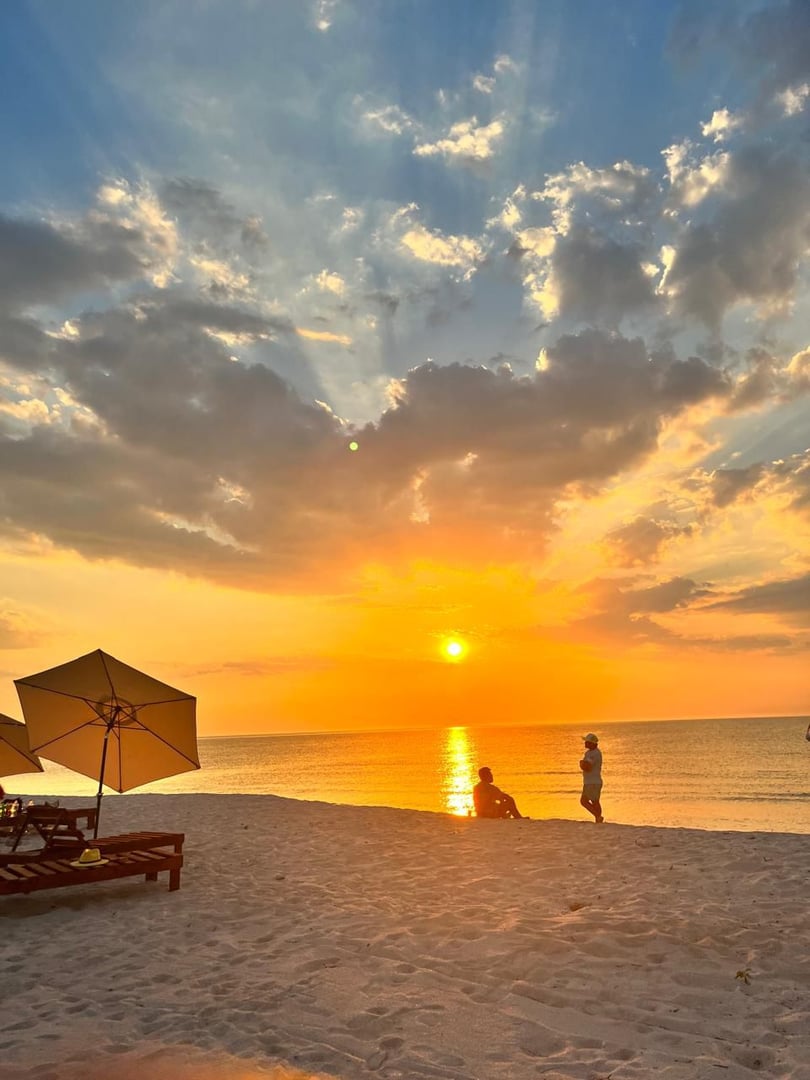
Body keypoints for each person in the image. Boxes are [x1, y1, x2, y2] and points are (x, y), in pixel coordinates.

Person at [579, 733, 604, 823]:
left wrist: (581, 763)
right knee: (595, 801)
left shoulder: (594, 754)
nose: (585, 743)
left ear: (592, 743)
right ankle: (598, 818)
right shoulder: (589, 753)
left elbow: (587, 767)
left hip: (592, 782)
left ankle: (598, 816)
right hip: (592, 781)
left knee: (584, 801)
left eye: (587, 742)